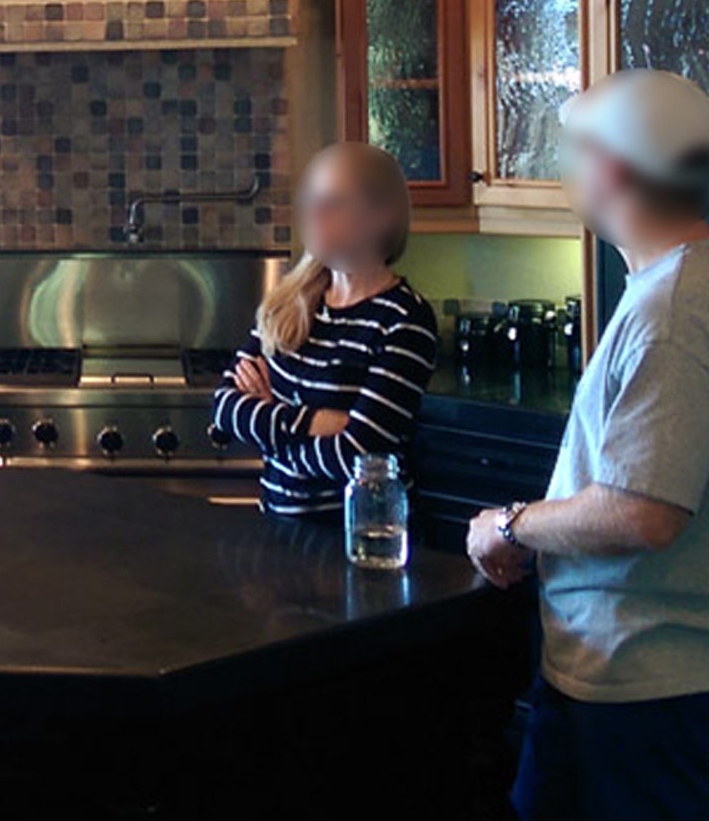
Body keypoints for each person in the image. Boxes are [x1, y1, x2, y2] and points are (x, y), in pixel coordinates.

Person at [467, 69, 709, 820]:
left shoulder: (670, 312)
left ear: (615, 169)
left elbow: (644, 512)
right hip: (637, 677)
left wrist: (511, 526)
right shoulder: (672, 289)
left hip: (643, 683)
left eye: (576, 152)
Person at [213, 141, 438, 520]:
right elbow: (224, 407)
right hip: (275, 531)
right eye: (310, 200)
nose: (313, 214)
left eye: (332, 202)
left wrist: (270, 426)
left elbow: (358, 456)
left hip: (358, 535)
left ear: (382, 216)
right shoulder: (289, 300)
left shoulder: (404, 319)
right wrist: (312, 422)